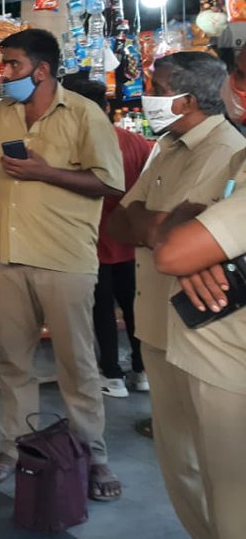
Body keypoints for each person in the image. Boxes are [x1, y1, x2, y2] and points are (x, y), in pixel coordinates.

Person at [0, 29, 125, 501]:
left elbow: (109, 184)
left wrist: (45, 172)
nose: (4, 73)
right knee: (14, 361)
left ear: (41, 69)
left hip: (64, 257)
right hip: (7, 254)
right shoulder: (1, 113)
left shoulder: (84, 114)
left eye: (12, 65)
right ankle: (12, 450)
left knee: (77, 364)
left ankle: (94, 457)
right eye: (3, 64)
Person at [106, 52, 243, 539]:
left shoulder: (226, 150)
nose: (145, 93)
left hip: (206, 330)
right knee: (177, 459)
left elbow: (178, 241)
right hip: (157, 323)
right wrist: (159, 223)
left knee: (222, 469)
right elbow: (125, 221)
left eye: (154, 84)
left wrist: (159, 225)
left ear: (184, 99)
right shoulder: (165, 147)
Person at [153, 159, 246, 539]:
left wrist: (187, 238)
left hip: (231, 365)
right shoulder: (237, 158)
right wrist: (201, 249)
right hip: (217, 359)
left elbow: (171, 251)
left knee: (232, 504)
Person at [61, 76, 153, 397]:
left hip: (93, 241)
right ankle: (142, 372)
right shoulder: (137, 142)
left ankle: (112, 375)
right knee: (134, 309)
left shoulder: (77, 146)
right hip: (132, 241)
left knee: (101, 310)